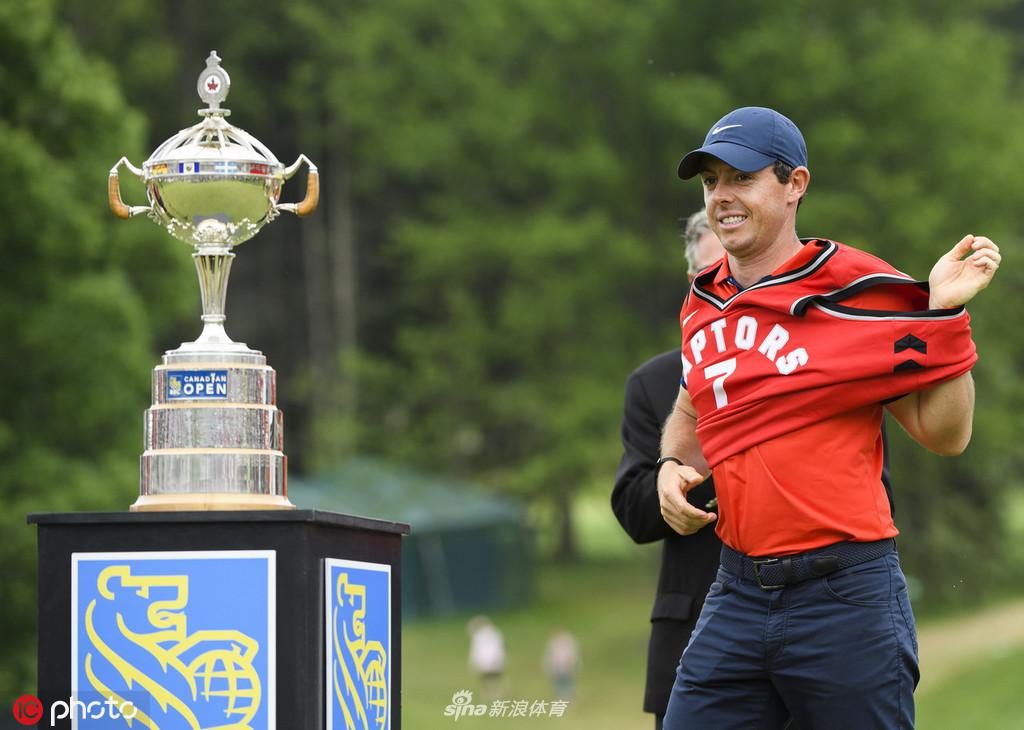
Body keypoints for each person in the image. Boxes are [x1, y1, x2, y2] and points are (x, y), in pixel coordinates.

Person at [658, 106, 1000, 729]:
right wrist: (673, 463)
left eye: (741, 177)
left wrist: (944, 316)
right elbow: (692, 402)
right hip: (735, 591)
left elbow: (946, 435)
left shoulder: (860, 289)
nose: (722, 198)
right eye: (711, 183)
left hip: (845, 597)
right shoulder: (702, 298)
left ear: (795, 185)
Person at [614, 209, 899, 728]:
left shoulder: (821, 354)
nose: (734, 290)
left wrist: (771, 472)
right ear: (694, 283)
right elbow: (633, 511)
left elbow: (870, 480)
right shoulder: (654, 383)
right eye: (717, 272)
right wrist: (680, 471)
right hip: (704, 617)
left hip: (826, 611)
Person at [467, 615, 506, 699]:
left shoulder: (479, 637)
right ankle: (494, 692)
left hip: (485, 660)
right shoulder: (495, 632)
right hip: (495, 660)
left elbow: (477, 651)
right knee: (494, 678)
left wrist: (474, 663)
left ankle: (489, 693)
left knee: (486, 678)